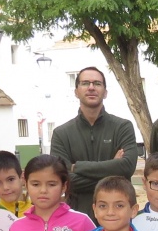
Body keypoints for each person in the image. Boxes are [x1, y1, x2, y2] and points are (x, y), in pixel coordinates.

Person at [49, 67, 140, 221]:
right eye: (85, 83)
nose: (91, 87)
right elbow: (64, 181)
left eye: (97, 83)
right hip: (76, 218)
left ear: (105, 92)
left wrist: (76, 167)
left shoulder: (122, 127)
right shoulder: (61, 133)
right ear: (76, 91)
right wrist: (113, 172)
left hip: (117, 218)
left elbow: (127, 168)